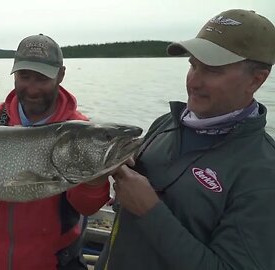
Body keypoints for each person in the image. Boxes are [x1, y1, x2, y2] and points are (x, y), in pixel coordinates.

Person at [95, 9, 275, 270]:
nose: (194, 81)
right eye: (192, 65)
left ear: (256, 79)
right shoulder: (165, 124)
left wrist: (150, 211)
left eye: (212, 70)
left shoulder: (262, 171)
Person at [0, 34, 110, 270]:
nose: (32, 89)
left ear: (60, 75)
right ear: (14, 74)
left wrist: (95, 183)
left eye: (42, 78)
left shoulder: (81, 133)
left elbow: (87, 207)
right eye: (24, 77)